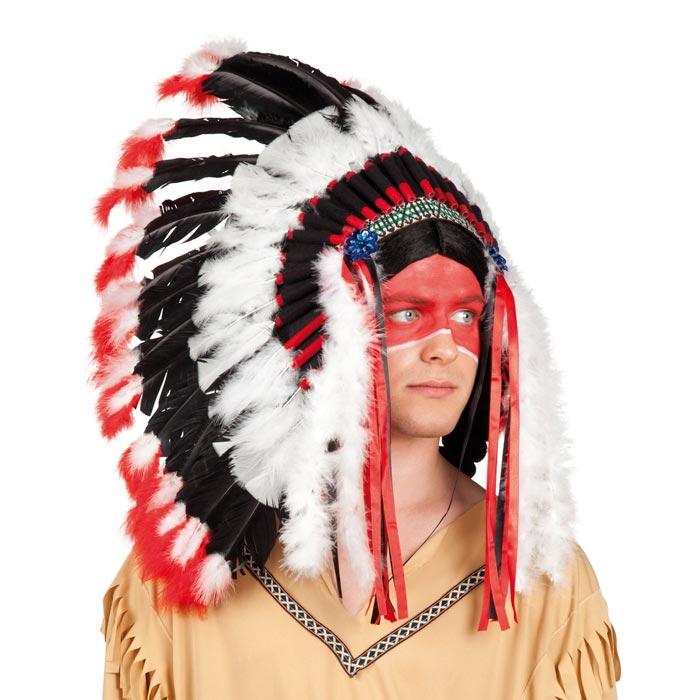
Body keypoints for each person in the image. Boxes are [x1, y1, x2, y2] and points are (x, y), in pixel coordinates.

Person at [93, 37, 621, 699]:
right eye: (407, 313)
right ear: (327, 330)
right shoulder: (187, 570)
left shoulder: (538, 582)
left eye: (466, 314)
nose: (444, 347)